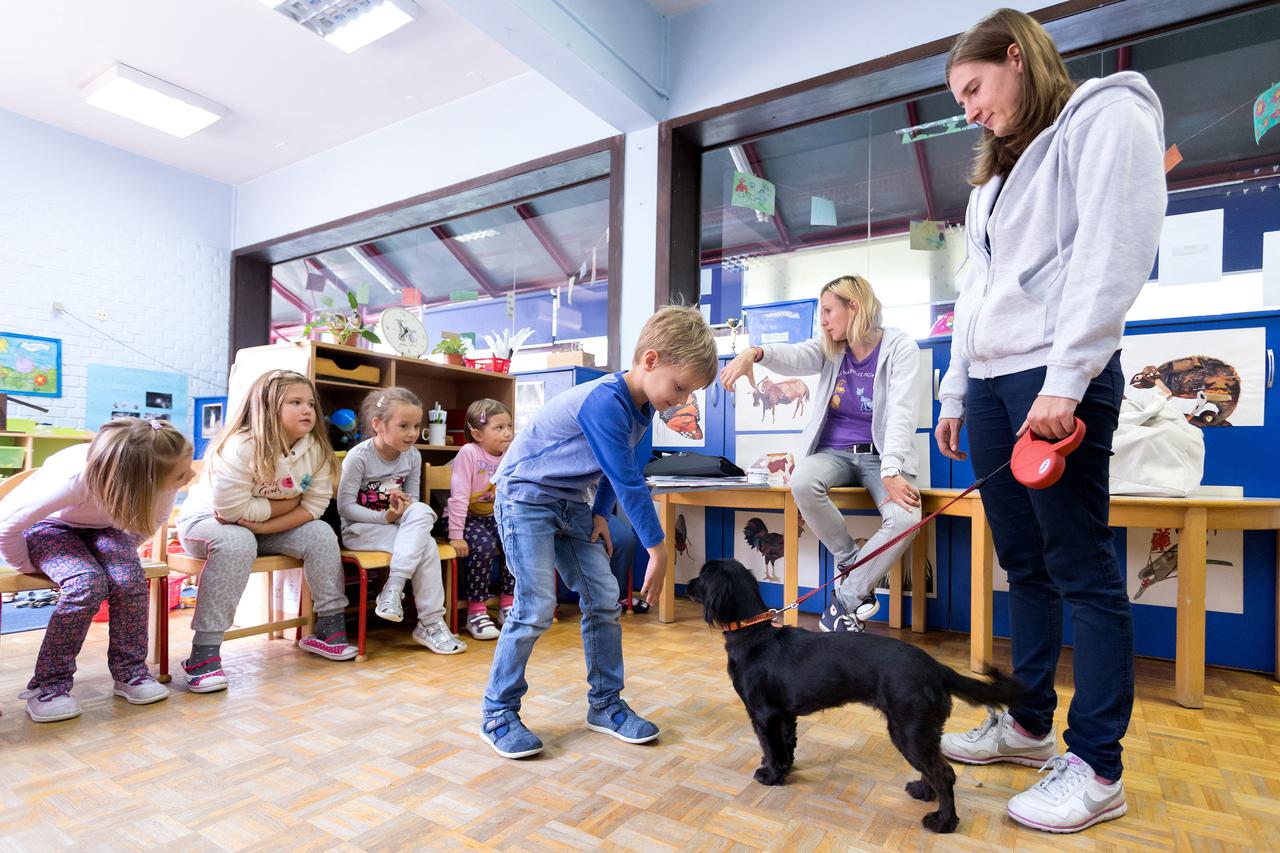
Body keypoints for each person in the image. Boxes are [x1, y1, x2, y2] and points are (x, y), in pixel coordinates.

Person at [934, 8, 1166, 833]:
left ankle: (1098, 766)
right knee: (1024, 566)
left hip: (1054, 378)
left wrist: (1067, 377)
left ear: (1016, 58)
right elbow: (974, 293)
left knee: (1083, 568)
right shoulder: (993, 178)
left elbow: (1114, 246)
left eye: (974, 87)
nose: (967, 109)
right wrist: (955, 392)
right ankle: (1029, 725)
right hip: (994, 384)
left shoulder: (1103, 113)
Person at [480, 305, 718, 759]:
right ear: (649, 361)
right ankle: (497, 711)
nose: (683, 400)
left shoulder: (643, 409)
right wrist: (659, 548)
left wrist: (602, 514)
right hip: (525, 497)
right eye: (681, 387)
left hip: (571, 504)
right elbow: (629, 479)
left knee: (604, 599)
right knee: (534, 606)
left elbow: (619, 469)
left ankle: (605, 705)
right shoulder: (605, 400)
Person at [720, 274, 922, 632]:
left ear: (854, 306)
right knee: (803, 480)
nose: (824, 320)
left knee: (906, 518)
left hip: (882, 458)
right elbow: (796, 355)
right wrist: (755, 352)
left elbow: (902, 414)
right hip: (835, 453)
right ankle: (851, 563)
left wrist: (891, 471)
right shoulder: (831, 348)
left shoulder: (900, 347)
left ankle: (844, 600)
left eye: (828, 311)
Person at [176, 370, 358, 693]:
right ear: (268, 407)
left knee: (320, 532)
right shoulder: (241, 446)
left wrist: (266, 523)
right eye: (296, 402)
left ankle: (329, 630)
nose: (307, 411)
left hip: (258, 530)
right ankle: (202, 656)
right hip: (205, 524)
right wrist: (287, 507)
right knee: (237, 539)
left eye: (310, 404)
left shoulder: (313, 448)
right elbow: (229, 512)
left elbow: (313, 507)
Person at [0, 418, 193, 722]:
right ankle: (48, 686)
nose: (191, 476)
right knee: (86, 583)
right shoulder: (75, 476)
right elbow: (6, 525)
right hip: (49, 528)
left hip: (104, 529)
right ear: (141, 479)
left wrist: (120, 553)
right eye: (183, 473)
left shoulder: (165, 473)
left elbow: (150, 524)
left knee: (128, 578)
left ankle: (130, 671)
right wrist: (28, 565)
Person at [338, 387, 465, 654]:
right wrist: (385, 516)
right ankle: (429, 623)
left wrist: (402, 506)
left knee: (421, 513)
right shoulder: (359, 457)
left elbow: (414, 503)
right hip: (360, 531)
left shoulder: (413, 455)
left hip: (400, 529)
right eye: (403, 425)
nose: (412, 433)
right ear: (378, 425)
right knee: (426, 546)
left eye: (417, 426)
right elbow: (345, 507)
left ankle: (394, 589)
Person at [446, 398, 515, 641]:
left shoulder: (510, 454)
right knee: (484, 546)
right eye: (499, 428)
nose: (507, 433)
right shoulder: (469, 453)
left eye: (509, 426)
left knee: (515, 540)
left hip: (492, 517)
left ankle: (508, 604)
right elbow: (459, 496)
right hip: (464, 518)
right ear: (477, 434)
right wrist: (455, 535)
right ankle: (476, 611)